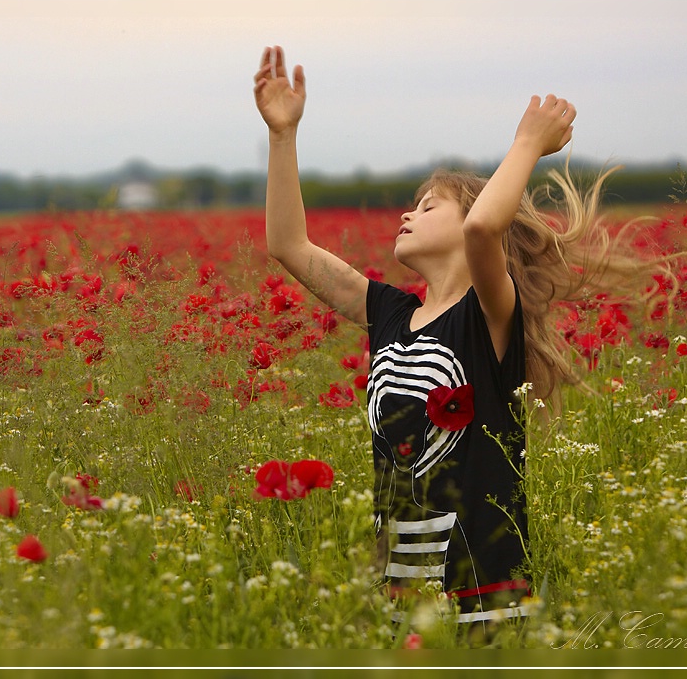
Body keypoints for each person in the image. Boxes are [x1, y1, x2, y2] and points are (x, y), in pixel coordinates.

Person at [253, 45, 643, 632]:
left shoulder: (488, 314)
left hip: (484, 590)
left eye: (428, 206)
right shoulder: (389, 313)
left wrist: (527, 143)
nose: (407, 215)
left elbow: (485, 227)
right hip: (402, 588)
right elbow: (288, 245)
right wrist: (282, 136)